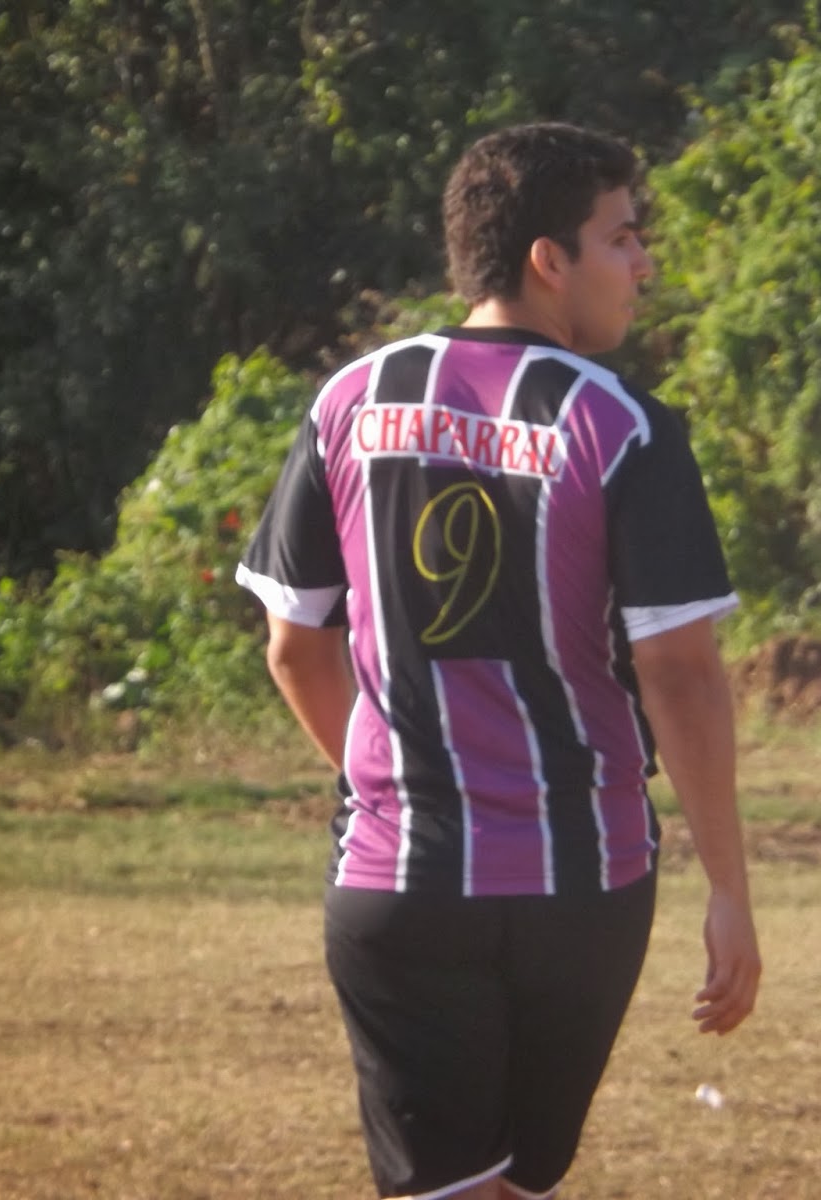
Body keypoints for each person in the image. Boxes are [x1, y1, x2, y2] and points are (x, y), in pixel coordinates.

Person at [237, 122, 761, 1200]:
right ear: (547, 259)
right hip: (585, 883)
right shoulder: (626, 425)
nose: (644, 263)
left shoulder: (350, 398)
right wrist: (728, 888)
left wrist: (393, 785)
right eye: (622, 237)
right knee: (520, 1184)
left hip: (403, 874)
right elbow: (679, 675)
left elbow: (295, 646)